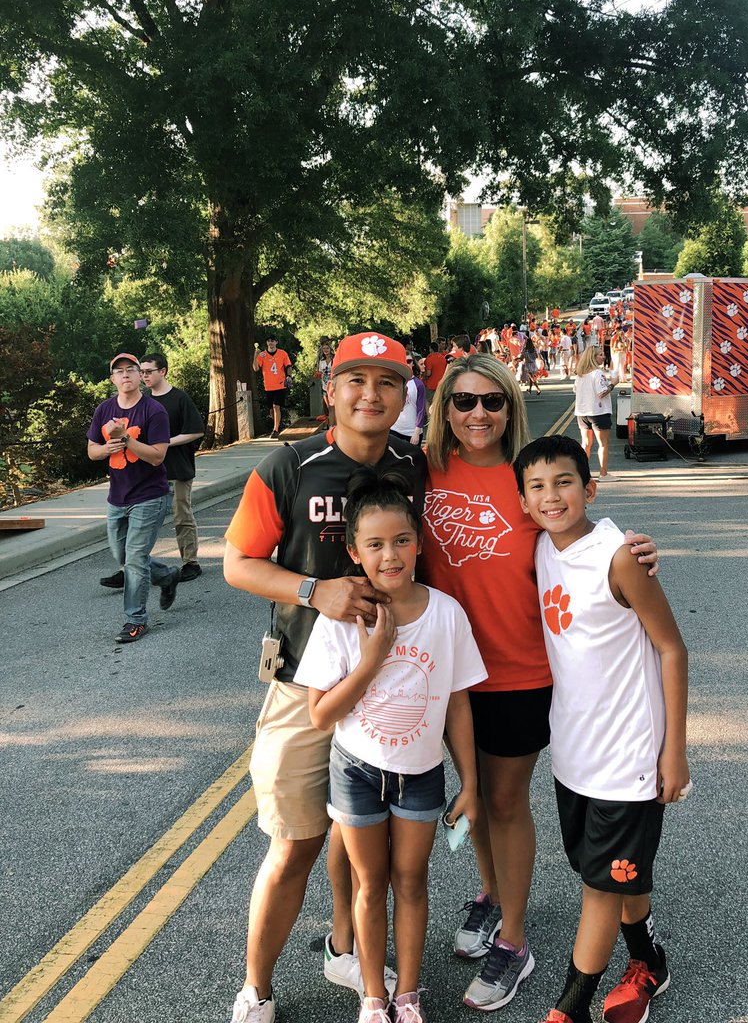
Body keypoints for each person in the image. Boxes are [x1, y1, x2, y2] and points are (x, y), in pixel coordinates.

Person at [420, 354, 659, 1013]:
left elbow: (580, 536)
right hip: (449, 675)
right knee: (475, 799)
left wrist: (633, 552)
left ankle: (515, 943)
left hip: (519, 671)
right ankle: (492, 896)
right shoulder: (425, 471)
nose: (477, 414)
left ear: (509, 407)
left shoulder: (526, 476)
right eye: (463, 401)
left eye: (492, 402)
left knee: (502, 802)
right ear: (445, 406)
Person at [223, 333, 426, 1023]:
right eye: (356, 380)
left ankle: (345, 947)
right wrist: (316, 591)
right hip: (304, 684)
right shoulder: (290, 465)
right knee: (297, 841)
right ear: (331, 388)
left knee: (358, 830)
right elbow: (237, 563)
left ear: (405, 394)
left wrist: (607, 545)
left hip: (390, 682)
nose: (372, 394)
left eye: (388, 382)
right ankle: (256, 987)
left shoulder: (412, 463)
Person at [297, 467, 488, 1023]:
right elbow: (319, 715)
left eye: (402, 541)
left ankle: (407, 993)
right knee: (369, 881)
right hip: (356, 769)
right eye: (375, 544)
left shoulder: (446, 614)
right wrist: (374, 657)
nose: (391, 555)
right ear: (354, 553)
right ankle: (373, 997)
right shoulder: (342, 620)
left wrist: (470, 783)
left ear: (420, 544)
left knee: (411, 880)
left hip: (421, 772)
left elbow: (457, 703)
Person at [514, 435, 688, 1023]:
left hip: (627, 757)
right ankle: (649, 961)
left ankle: (571, 1006)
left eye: (564, 482)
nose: (551, 496)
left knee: (600, 888)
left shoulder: (618, 556)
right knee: (613, 873)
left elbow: (671, 647)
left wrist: (675, 753)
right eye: (536, 487)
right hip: (573, 752)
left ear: (589, 487)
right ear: (524, 503)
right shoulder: (543, 548)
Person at [87, 353, 181, 643]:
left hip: (150, 495)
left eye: (131, 370)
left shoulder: (154, 411)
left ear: (142, 376)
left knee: (136, 558)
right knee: (123, 557)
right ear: (113, 379)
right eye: (119, 371)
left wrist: (127, 439)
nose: (125, 375)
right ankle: (166, 576)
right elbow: (92, 450)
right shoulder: (104, 410)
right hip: (117, 497)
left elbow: (157, 457)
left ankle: (135, 620)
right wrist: (108, 447)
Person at [137, 353, 206, 581]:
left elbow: (196, 430)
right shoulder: (142, 401)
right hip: (148, 470)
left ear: (163, 371)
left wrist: (166, 443)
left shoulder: (180, 398)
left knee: (181, 516)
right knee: (141, 521)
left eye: (148, 371)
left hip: (177, 468)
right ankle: (132, 565)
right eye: (142, 372)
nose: (144, 376)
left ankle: (190, 562)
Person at [573, 347, 616, 478]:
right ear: (593, 357)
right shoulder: (597, 373)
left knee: (586, 444)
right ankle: (603, 473)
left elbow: (575, 390)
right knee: (603, 444)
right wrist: (613, 384)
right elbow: (601, 392)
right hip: (598, 411)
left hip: (582, 412)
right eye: (600, 355)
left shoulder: (580, 374)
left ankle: (584, 474)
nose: (603, 357)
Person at [255, 335, 293, 437]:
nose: (270, 343)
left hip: (280, 385)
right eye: (268, 341)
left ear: (276, 342)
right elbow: (256, 368)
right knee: (271, 409)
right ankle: (276, 425)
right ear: (267, 343)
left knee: (276, 406)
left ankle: (275, 430)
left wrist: (289, 376)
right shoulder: (262, 355)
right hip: (268, 386)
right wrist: (255, 355)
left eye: (272, 341)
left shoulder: (282, 353)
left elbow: (288, 366)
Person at [392, 356, 427, 446]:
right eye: (404, 361)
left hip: (411, 431)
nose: (407, 363)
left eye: (409, 361)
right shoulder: (395, 381)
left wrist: (416, 432)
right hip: (394, 429)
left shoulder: (418, 384)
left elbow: (421, 410)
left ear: (413, 363)